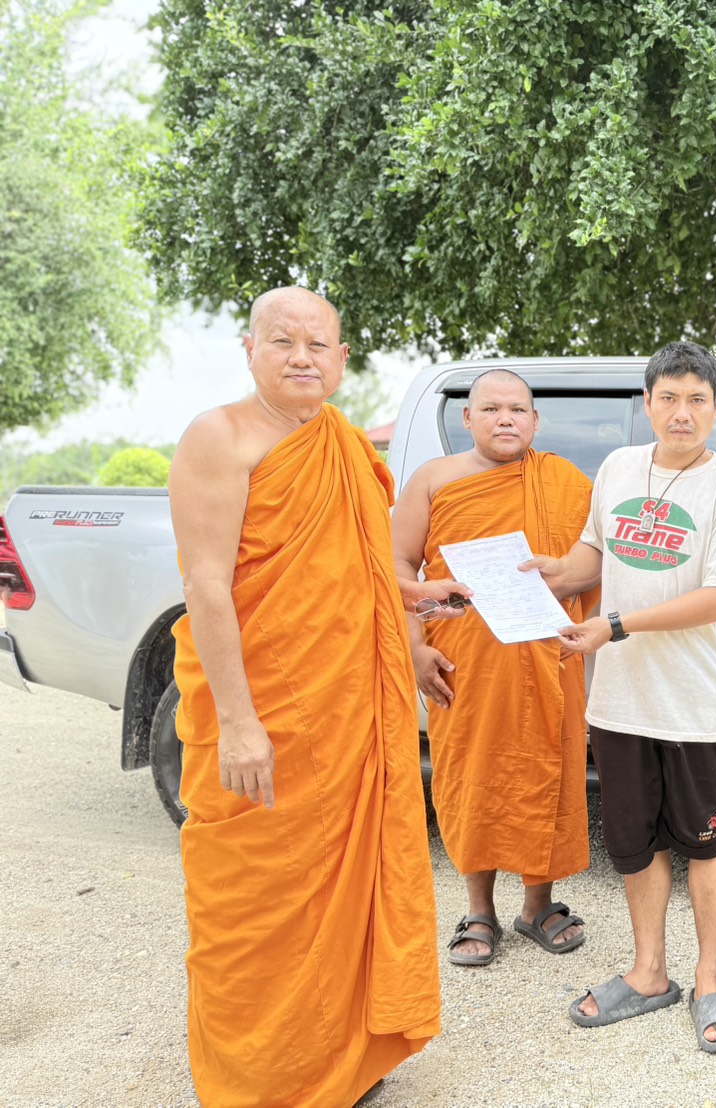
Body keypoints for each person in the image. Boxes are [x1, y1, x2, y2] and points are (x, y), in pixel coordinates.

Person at [169, 287, 466, 1107]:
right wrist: (237, 726)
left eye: (319, 344)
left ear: (340, 358)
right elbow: (206, 588)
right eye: (284, 341)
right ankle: (262, 1080)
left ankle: (341, 1062)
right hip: (266, 717)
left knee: (349, 891)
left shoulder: (338, 440)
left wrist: (412, 610)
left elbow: (360, 565)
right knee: (258, 906)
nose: (302, 356)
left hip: (345, 719)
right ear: (251, 348)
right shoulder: (218, 437)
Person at [524, 341, 716, 1053]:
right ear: (648, 403)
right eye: (668, 398)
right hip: (620, 700)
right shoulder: (621, 467)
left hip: (695, 701)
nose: (680, 412)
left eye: (695, 399)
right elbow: (597, 550)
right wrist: (557, 574)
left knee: (705, 839)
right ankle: (649, 973)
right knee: (631, 844)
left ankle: (709, 976)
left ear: (715, 408)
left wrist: (615, 625)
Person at [392, 369, 599, 966]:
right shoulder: (435, 481)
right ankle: (479, 908)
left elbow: (596, 566)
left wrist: (570, 589)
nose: (504, 419)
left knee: (547, 770)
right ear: (468, 419)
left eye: (517, 409)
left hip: (548, 660)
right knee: (472, 776)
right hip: (464, 664)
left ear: (536, 421)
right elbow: (396, 568)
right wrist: (413, 647)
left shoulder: (564, 482)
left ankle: (538, 905)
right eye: (491, 409)